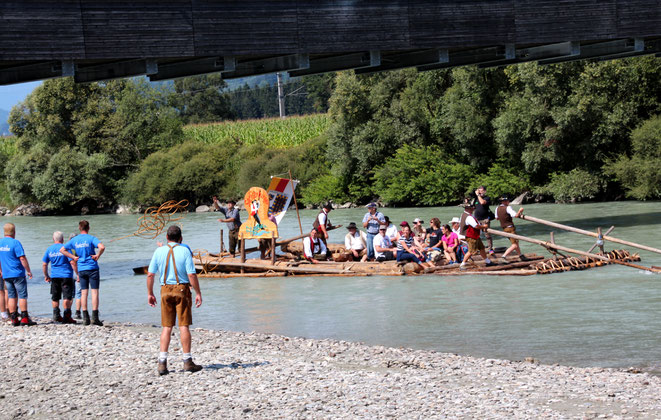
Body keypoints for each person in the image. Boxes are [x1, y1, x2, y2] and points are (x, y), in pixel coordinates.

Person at [147, 225, 203, 375]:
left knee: (167, 327)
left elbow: (150, 275)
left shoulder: (159, 251)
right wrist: (198, 292)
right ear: (181, 238)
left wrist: (150, 293)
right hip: (182, 289)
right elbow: (191, 274)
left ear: (166, 238)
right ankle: (187, 361)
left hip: (165, 290)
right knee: (183, 325)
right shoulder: (185, 250)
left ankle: (162, 363)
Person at [60, 220, 105, 326]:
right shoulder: (92, 238)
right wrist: (98, 255)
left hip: (81, 269)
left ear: (79, 228)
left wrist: (74, 257)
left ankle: (85, 318)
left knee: (84, 292)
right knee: (94, 292)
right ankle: (95, 317)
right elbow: (102, 247)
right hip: (93, 268)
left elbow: (62, 250)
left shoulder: (74, 240)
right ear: (88, 228)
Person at [0, 223, 36, 326]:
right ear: (14, 232)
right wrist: (28, 270)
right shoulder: (15, 243)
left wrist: (0, 270)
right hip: (17, 273)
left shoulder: (0, 243)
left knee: (11, 296)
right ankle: (24, 318)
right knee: (22, 295)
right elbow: (22, 258)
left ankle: (14, 318)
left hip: (6, 274)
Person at [43, 231, 78, 324]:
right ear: (62, 239)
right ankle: (67, 316)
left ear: (53, 239)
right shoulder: (65, 248)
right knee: (67, 297)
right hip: (66, 276)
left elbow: (44, 264)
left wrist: (46, 275)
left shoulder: (49, 249)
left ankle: (56, 315)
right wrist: (77, 274)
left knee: (55, 297)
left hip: (54, 276)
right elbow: (72, 262)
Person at [459, 201, 493, 270]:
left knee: (482, 248)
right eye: (472, 208)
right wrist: (484, 226)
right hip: (472, 236)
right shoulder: (469, 217)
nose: (473, 209)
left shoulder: (463, 215)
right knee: (471, 251)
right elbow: (476, 226)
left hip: (475, 236)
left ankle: (488, 261)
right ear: (468, 209)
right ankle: (462, 264)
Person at [496, 195, 525, 261]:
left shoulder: (497, 208)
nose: (508, 202)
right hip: (510, 228)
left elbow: (497, 218)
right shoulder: (508, 208)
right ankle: (503, 256)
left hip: (504, 228)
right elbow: (516, 215)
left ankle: (520, 255)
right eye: (507, 201)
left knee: (515, 242)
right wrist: (520, 211)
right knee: (514, 245)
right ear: (505, 202)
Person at [474, 186, 494, 254]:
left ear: (485, 191)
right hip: (477, 219)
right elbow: (472, 206)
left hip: (485, 219)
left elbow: (482, 202)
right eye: (479, 191)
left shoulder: (487, 198)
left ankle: (490, 248)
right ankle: (478, 247)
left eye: (481, 191)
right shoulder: (476, 199)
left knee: (487, 234)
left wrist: (478, 195)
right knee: (476, 235)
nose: (480, 192)